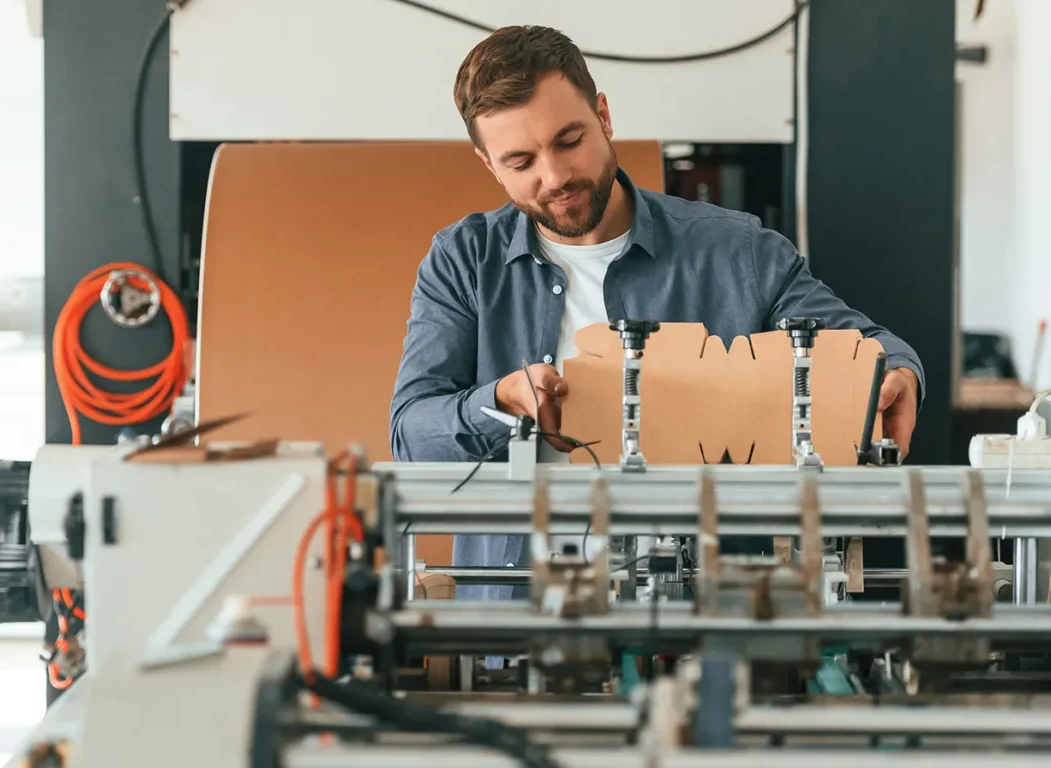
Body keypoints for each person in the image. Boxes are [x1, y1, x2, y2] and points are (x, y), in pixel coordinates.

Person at [388, 25, 924, 602]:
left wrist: (897, 374)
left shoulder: (736, 252)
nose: (555, 176)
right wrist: (500, 401)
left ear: (604, 115)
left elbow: (868, 346)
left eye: (569, 140)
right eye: (520, 161)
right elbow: (411, 433)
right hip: (518, 618)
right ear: (488, 164)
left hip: (706, 620)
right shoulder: (464, 261)